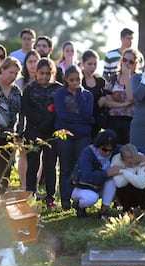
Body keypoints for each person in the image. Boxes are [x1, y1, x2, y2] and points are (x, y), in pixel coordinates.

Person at [21, 58, 62, 208]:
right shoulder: (29, 89)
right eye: (41, 73)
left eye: (48, 73)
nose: (44, 77)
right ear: (36, 73)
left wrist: (47, 122)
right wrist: (39, 122)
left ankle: (50, 197)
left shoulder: (58, 89)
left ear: (53, 73)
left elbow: (59, 110)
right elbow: (25, 109)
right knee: (33, 165)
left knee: (50, 166)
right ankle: (31, 194)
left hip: (51, 132)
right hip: (33, 130)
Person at [54, 65, 94, 210]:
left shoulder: (87, 95)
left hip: (82, 136)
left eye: (78, 79)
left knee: (79, 167)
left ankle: (77, 199)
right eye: (71, 80)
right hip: (65, 134)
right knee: (65, 167)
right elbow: (61, 115)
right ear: (66, 80)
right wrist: (81, 120)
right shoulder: (60, 94)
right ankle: (65, 199)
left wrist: (78, 95)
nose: (75, 82)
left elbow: (87, 113)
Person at [0, 57, 23, 194]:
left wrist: (19, 134)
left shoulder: (16, 91)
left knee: (6, 169)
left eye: (16, 74)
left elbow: (22, 114)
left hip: (10, 136)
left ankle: (0, 198)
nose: (13, 76)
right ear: (2, 69)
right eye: (11, 72)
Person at [71, 129, 121, 218]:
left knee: (112, 181)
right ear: (98, 145)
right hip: (83, 186)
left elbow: (134, 150)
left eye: (111, 150)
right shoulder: (87, 153)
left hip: (100, 186)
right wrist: (106, 174)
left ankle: (103, 211)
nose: (108, 152)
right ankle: (78, 205)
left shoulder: (116, 150)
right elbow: (87, 176)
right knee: (91, 198)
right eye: (104, 149)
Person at [101, 48, 139, 145]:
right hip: (113, 120)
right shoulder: (113, 78)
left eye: (131, 62)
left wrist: (127, 76)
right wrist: (124, 104)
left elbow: (133, 99)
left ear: (135, 64)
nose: (127, 63)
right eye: (125, 60)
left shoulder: (138, 79)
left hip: (130, 121)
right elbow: (106, 101)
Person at [14, 50, 40, 190]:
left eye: (35, 61)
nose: (33, 64)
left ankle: (34, 186)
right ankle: (24, 186)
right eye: (30, 61)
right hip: (22, 122)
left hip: (38, 123)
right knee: (23, 154)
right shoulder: (19, 81)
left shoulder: (43, 81)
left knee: (37, 155)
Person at [111, 143, 145, 218]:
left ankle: (144, 209)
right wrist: (133, 170)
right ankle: (127, 209)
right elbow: (119, 183)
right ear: (123, 159)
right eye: (130, 161)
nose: (133, 162)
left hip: (141, 190)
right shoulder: (116, 160)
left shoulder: (143, 158)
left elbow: (142, 184)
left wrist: (124, 171)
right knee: (122, 188)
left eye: (135, 158)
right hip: (126, 190)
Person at [81, 49, 110, 138]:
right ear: (83, 64)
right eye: (90, 64)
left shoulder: (100, 82)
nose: (92, 67)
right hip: (83, 122)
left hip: (98, 123)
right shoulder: (79, 82)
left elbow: (108, 99)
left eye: (95, 64)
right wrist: (98, 104)